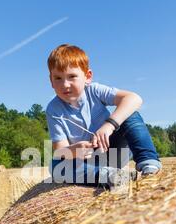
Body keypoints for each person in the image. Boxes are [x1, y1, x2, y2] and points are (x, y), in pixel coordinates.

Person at [45, 44, 162, 191]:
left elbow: (135, 98)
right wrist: (75, 149)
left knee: (130, 114)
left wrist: (109, 124)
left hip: (113, 150)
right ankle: (111, 176)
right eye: (58, 78)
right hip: (86, 162)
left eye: (72, 77)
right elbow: (60, 151)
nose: (65, 84)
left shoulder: (94, 91)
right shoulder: (53, 109)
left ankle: (149, 164)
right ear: (51, 81)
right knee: (55, 166)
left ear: (87, 77)